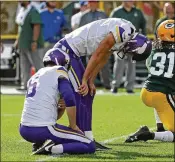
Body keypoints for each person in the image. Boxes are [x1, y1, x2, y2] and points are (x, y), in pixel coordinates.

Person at [52, 18, 152, 144]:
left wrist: (90, 81)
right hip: (66, 50)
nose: (128, 54)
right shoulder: (124, 32)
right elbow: (97, 54)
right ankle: (76, 136)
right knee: (79, 93)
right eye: (132, 53)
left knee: (88, 93)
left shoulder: (125, 34)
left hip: (74, 53)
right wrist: (84, 79)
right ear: (134, 45)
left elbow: (104, 57)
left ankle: (87, 136)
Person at [19, 48, 95, 155]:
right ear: (62, 62)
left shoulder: (36, 75)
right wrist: (73, 125)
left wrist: (61, 108)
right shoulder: (59, 70)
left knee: (57, 132)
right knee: (89, 144)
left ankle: (41, 143)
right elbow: (69, 97)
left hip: (24, 129)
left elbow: (50, 115)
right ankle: (51, 149)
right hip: (43, 129)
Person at [125, 20, 175, 143]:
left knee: (162, 100)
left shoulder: (155, 49)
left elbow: (149, 66)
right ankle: (148, 134)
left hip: (146, 91)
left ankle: (159, 127)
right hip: (161, 94)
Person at [110, 1, 146, 93]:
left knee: (132, 64)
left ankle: (129, 87)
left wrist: (143, 40)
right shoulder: (116, 12)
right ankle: (115, 85)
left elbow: (143, 26)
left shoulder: (138, 12)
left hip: (133, 41)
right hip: (119, 42)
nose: (131, 1)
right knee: (119, 63)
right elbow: (109, 27)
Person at [78, 0, 111, 89]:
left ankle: (107, 85)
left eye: (95, 2)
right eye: (91, 2)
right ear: (89, 3)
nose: (93, 4)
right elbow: (81, 31)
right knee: (91, 65)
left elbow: (108, 29)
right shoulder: (84, 16)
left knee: (104, 65)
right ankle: (89, 84)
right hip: (90, 45)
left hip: (102, 43)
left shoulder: (103, 14)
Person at [14, 1, 44, 90]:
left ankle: (42, 86)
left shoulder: (33, 11)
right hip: (23, 44)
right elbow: (21, 28)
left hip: (32, 45)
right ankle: (25, 85)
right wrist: (17, 40)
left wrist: (34, 41)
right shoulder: (22, 10)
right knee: (24, 66)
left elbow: (37, 26)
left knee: (38, 66)